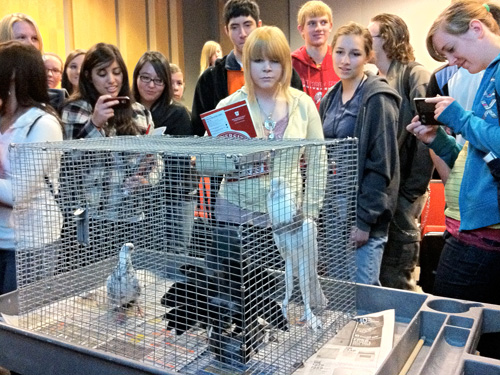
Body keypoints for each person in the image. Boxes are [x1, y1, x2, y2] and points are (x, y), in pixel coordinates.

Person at [407, 0, 500, 304]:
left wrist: (460, 118)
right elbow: (478, 152)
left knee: (451, 326)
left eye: (450, 48)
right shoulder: (488, 75)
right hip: (468, 226)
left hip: (483, 235)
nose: (450, 61)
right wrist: (437, 139)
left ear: (476, 29)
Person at [319, 22, 401, 285]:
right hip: (333, 211)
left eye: (355, 54)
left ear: (368, 57)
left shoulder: (377, 97)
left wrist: (365, 221)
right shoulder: (329, 98)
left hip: (363, 213)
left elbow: (382, 165)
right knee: (338, 291)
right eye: (340, 52)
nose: (345, 60)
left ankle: (368, 329)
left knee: (364, 296)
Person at [367, 13, 433, 291]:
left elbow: (426, 140)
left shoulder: (415, 76)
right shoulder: (374, 80)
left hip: (403, 194)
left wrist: (409, 193)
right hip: (383, 195)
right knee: (380, 275)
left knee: (398, 278)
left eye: (370, 36)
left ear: (388, 39)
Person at [0, 41, 63, 295]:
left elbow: (17, 193)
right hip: (2, 238)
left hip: (30, 243)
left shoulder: (43, 123)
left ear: (14, 75)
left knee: (17, 324)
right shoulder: (2, 117)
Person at [191, 0, 303, 137]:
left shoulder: (285, 73)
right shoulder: (211, 78)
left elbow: (300, 121)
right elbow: (199, 129)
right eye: (234, 27)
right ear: (226, 30)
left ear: (259, 25)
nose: (242, 33)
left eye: (248, 25)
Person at [62, 42, 153, 139]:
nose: (111, 80)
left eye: (117, 73)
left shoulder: (139, 111)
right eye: (102, 74)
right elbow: (72, 153)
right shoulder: (76, 108)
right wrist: (95, 124)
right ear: (88, 76)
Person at [292, 0, 340, 110]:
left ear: (330, 26)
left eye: (323, 22)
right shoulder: (290, 63)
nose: (318, 28)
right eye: (312, 23)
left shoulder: (341, 60)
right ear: (301, 29)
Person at [132, 51, 192, 135]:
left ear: (166, 83)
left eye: (159, 80)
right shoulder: (124, 110)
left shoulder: (177, 114)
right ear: (136, 77)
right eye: (145, 77)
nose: (151, 85)